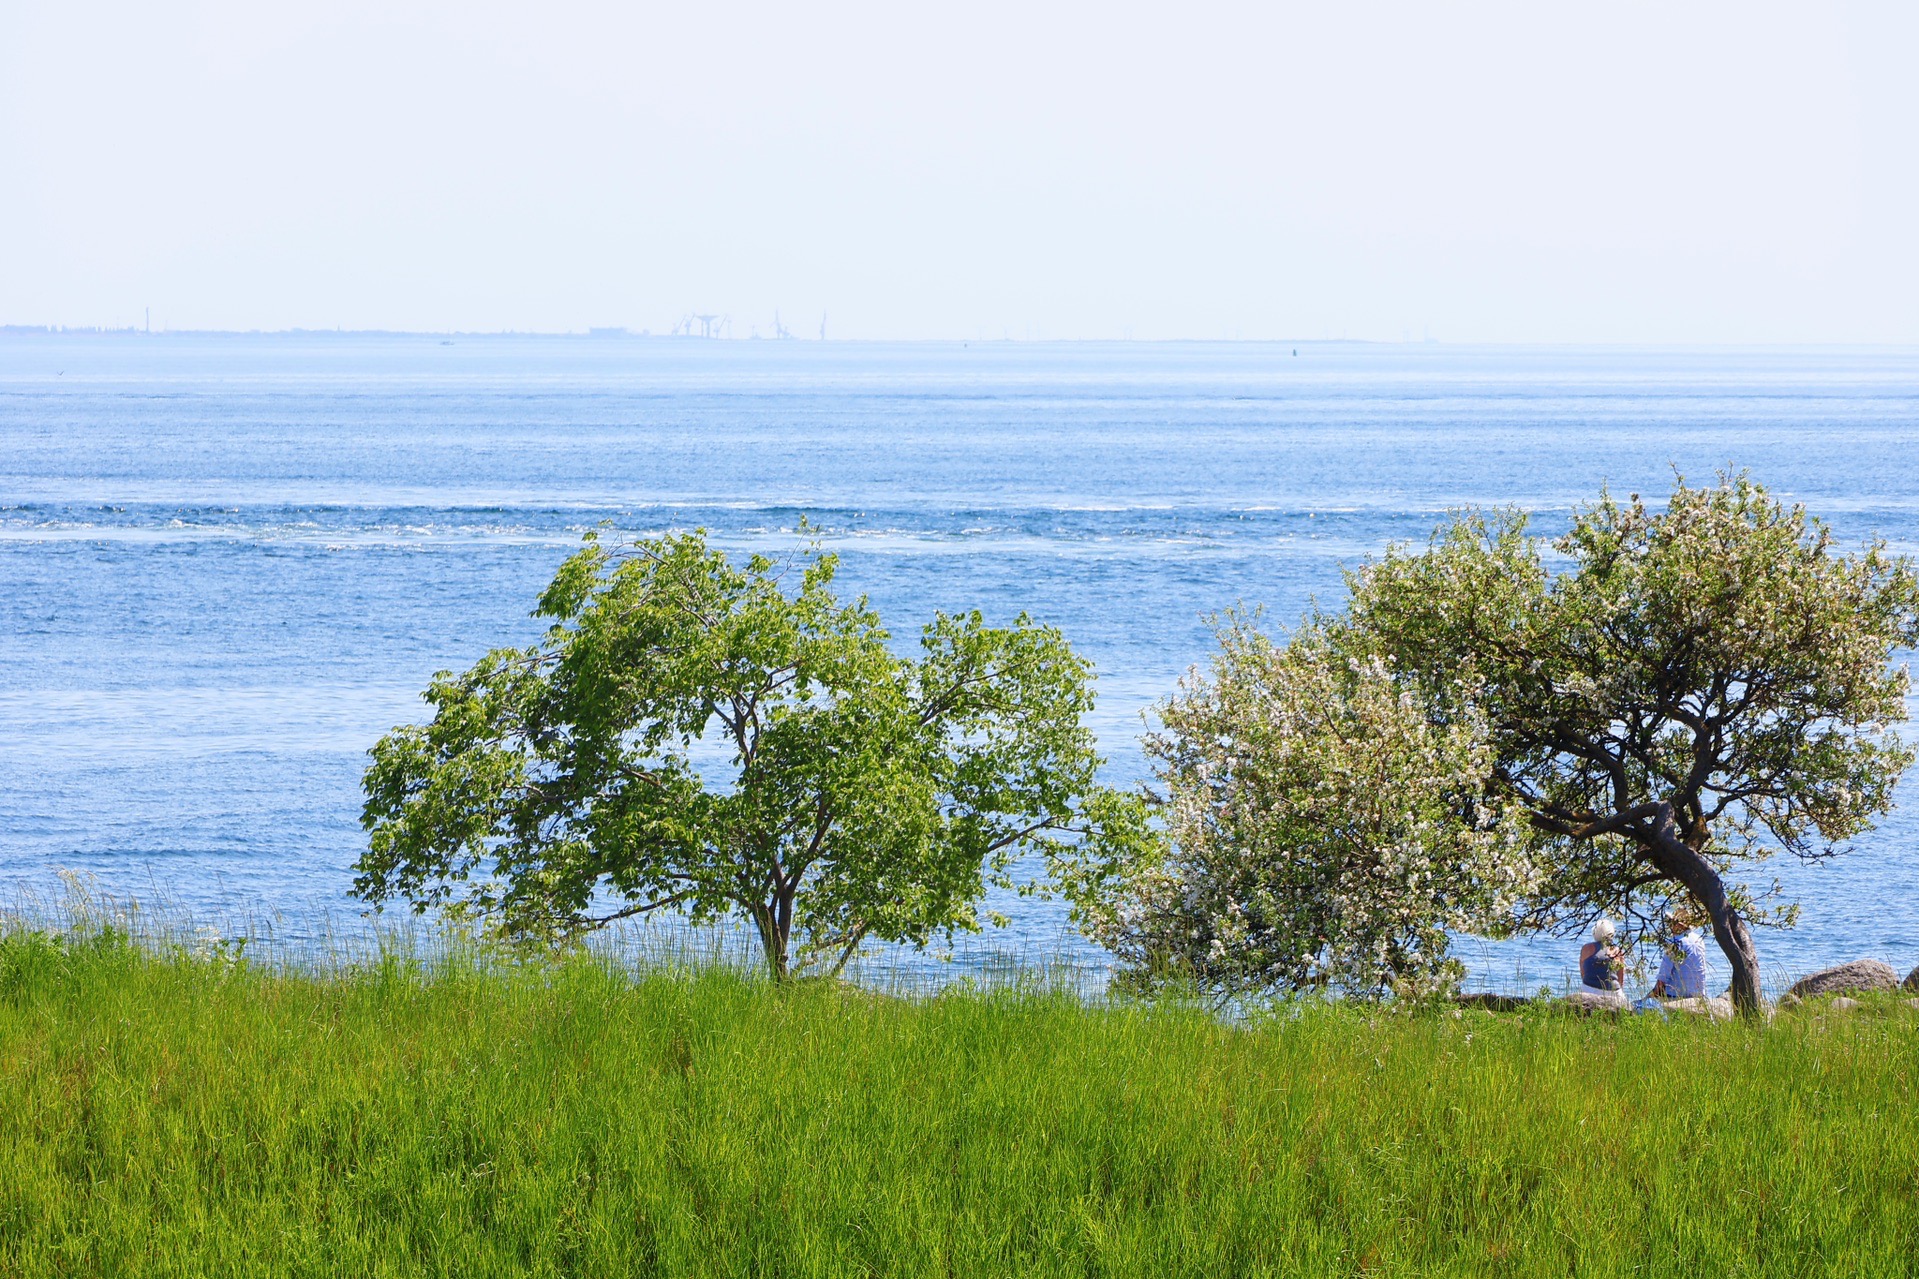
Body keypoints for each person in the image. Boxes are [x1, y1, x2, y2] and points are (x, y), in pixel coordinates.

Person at [1650, 914, 1709, 1000]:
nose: (1670, 927)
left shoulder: (1675, 943)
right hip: (1698, 993)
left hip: (1676, 995)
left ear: (1678, 925)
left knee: (1644, 1003)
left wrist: (1648, 998)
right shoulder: (1699, 939)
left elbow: (1662, 981)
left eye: (1671, 923)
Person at [1579, 919, 1624, 993]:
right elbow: (1620, 979)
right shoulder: (1617, 951)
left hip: (1589, 988)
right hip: (1612, 992)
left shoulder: (1586, 948)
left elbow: (1583, 973)